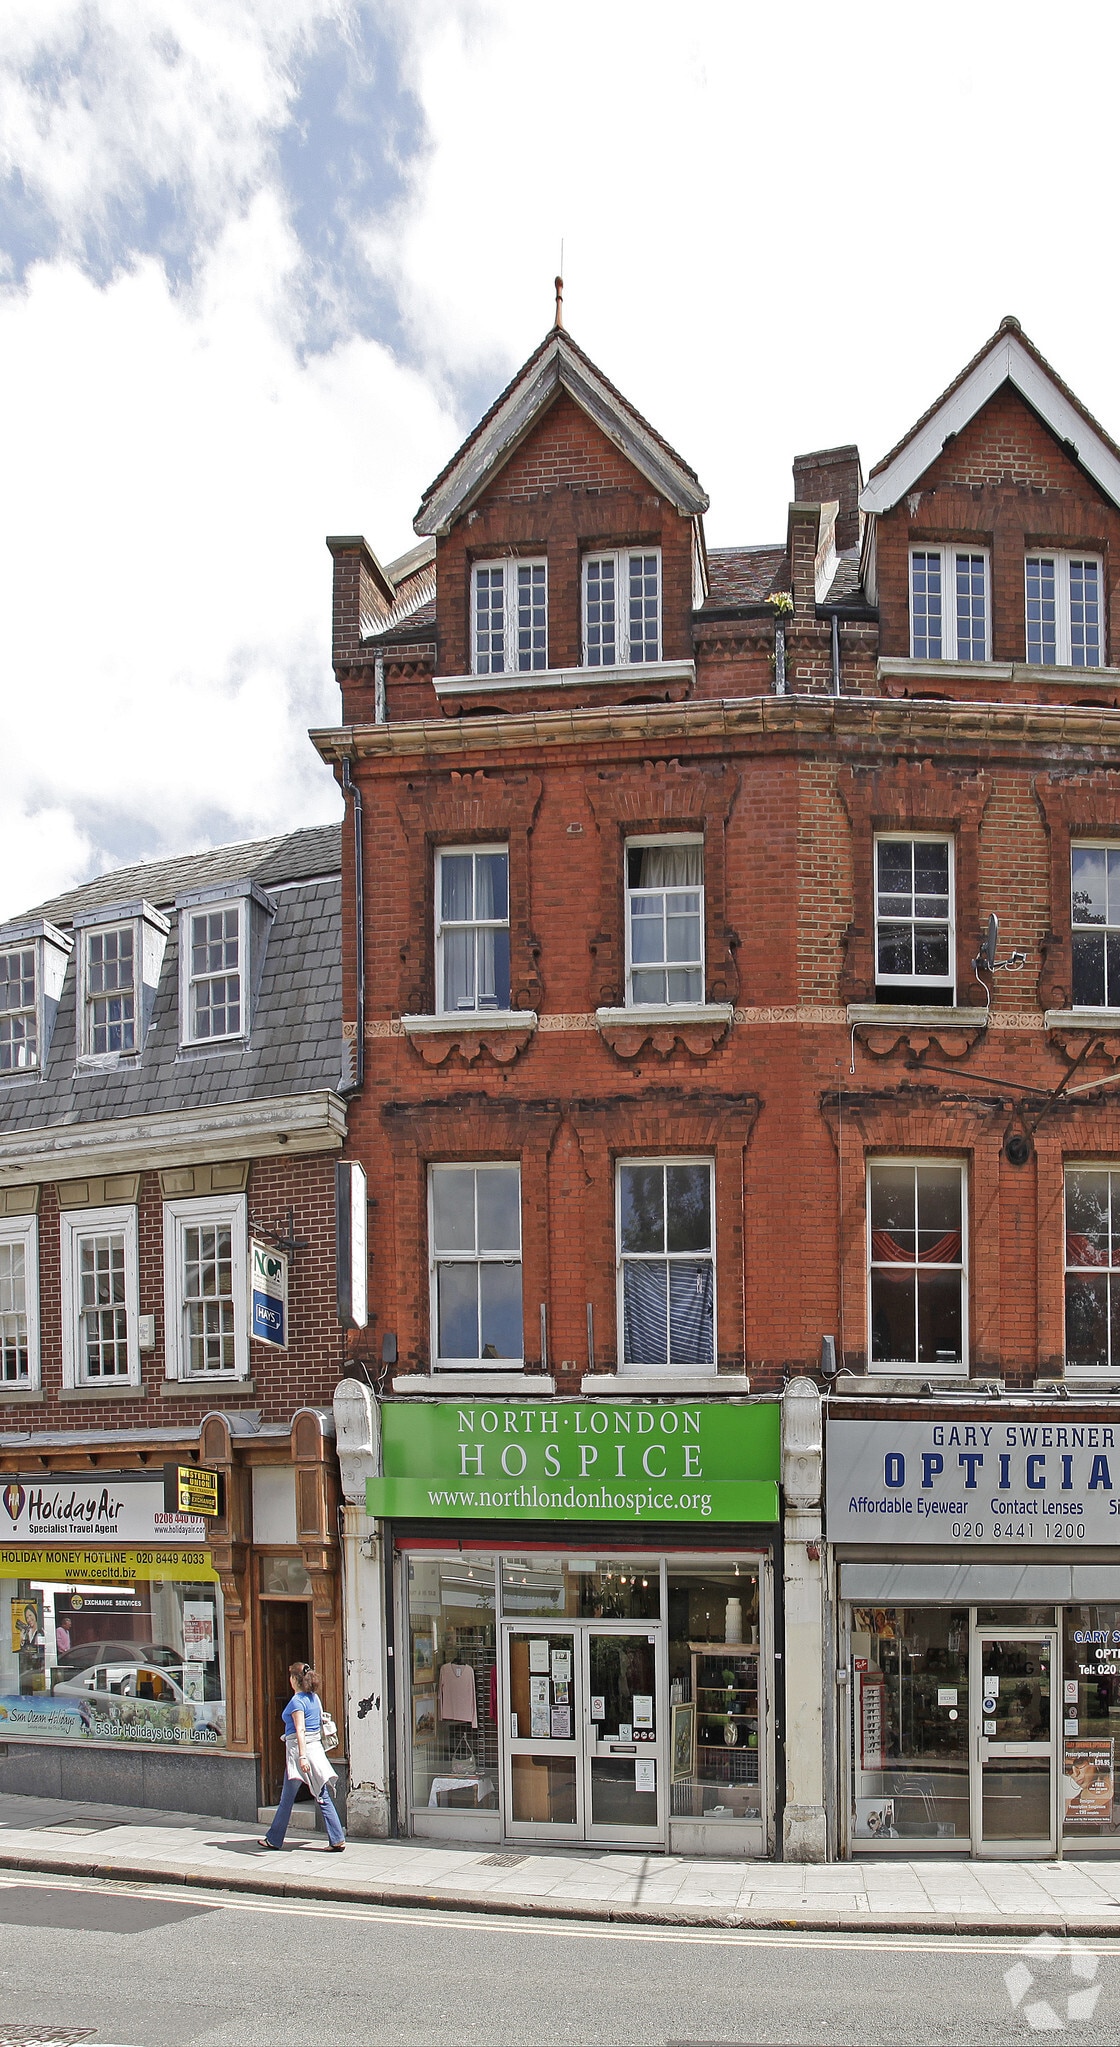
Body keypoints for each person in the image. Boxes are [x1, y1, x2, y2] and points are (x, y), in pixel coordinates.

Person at [259, 1661, 345, 1853]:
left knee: (287, 1798)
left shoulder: (297, 1702)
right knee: (321, 1794)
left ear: (294, 1680)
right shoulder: (314, 1698)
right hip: (316, 1751)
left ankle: (274, 1839)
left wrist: (302, 1757)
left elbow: (300, 1729)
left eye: (290, 1676)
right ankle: (337, 1837)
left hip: (300, 1752)